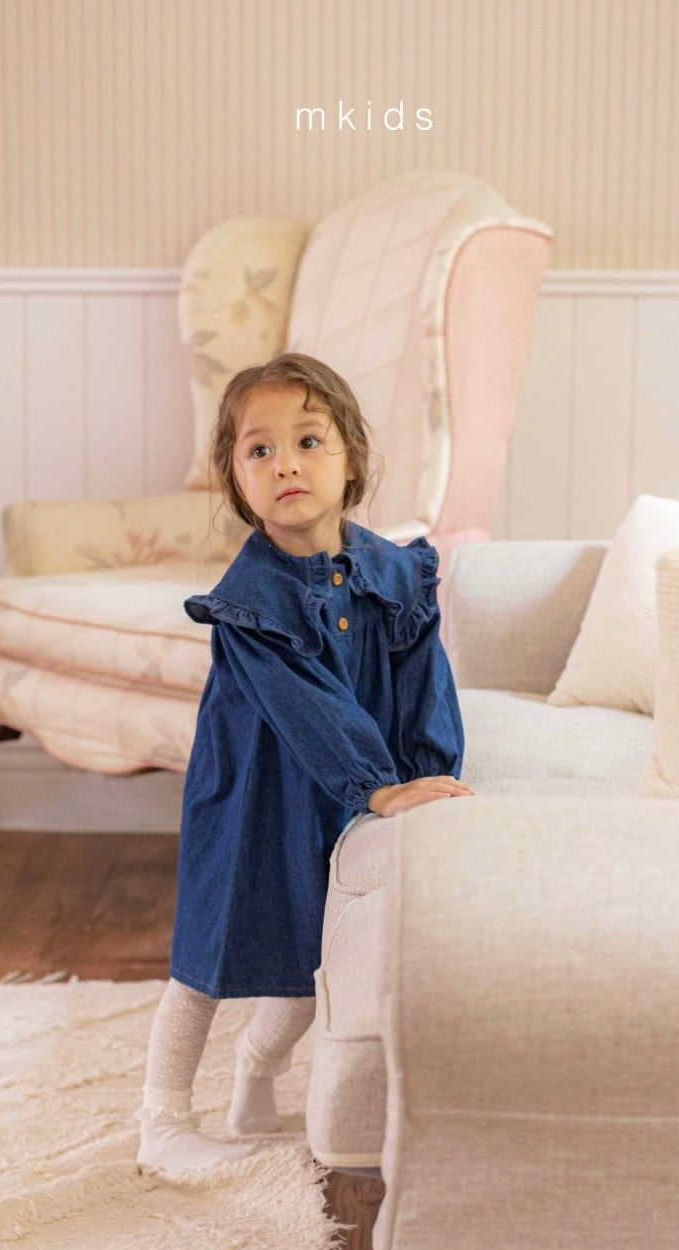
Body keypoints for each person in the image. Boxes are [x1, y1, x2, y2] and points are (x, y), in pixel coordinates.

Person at [135, 351, 474, 1178]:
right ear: (237, 480)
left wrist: (424, 777)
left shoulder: (396, 574)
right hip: (255, 796)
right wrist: (378, 786)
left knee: (307, 954)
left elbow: (425, 682)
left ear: (350, 458)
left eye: (308, 440)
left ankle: (255, 1077)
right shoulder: (251, 601)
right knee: (208, 956)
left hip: (354, 792)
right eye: (260, 450)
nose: (285, 463)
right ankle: (161, 1121)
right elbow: (307, 704)